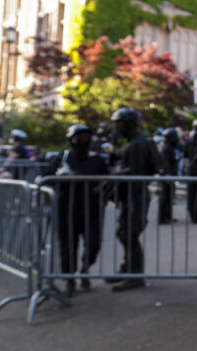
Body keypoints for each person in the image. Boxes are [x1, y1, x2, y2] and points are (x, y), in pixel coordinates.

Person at [44, 124, 109, 296]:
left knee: (94, 243)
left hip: (92, 210)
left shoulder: (98, 160)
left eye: (87, 138)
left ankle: (85, 269)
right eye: (80, 138)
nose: (84, 142)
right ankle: (69, 280)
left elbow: (108, 182)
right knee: (67, 247)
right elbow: (44, 177)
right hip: (66, 210)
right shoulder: (62, 158)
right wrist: (58, 177)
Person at [107, 108, 160, 292]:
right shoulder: (133, 143)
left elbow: (136, 172)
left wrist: (117, 174)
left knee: (129, 234)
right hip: (131, 195)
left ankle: (135, 275)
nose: (117, 128)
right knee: (124, 232)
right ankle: (127, 269)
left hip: (135, 195)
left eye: (119, 124)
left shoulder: (137, 144)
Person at [157, 128, 180, 224]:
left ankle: (168, 216)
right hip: (167, 176)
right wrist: (170, 175)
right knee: (165, 196)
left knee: (169, 196)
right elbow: (166, 164)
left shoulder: (170, 147)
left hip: (170, 175)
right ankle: (162, 218)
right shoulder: (166, 148)